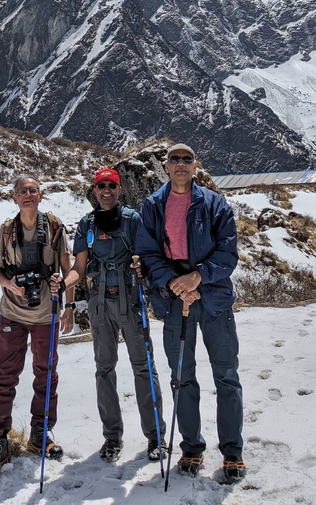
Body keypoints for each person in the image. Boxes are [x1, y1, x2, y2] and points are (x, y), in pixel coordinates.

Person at [136, 143, 245, 483]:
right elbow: (148, 253)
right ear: (165, 167)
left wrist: (197, 277)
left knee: (227, 376)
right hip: (174, 302)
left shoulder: (214, 204)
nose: (180, 164)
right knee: (182, 378)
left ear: (195, 166)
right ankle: (192, 448)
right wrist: (176, 284)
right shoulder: (153, 206)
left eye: (187, 159)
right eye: (174, 159)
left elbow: (228, 253)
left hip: (213, 300)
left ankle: (232, 452)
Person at [51, 167, 166, 463]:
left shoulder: (133, 220)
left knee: (143, 367)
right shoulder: (87, 224)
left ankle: (155, 437)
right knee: (104, 369)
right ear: (95, 190)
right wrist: (64, 284)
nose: (106, 191)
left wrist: (142, 264)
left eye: (111, 186)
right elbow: (78, 268)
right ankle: (112, 437)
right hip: (101, 303)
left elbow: (148, 255)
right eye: (101, 186)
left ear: (119, 190)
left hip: (130, 299)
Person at [0, 173, 74, 484]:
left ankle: (40, 434)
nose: (28, 195)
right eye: (22, 191)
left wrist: (68, 305)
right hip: (12, 314)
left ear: (41, 195)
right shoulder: (6, 231)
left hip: (46, 314)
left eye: (33, 190)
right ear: (14, 198)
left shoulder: (55, 227)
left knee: (46, 374)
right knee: (5, 376)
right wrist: (10, 285)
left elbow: (69, 269)